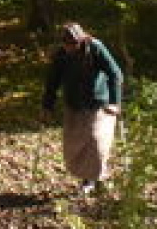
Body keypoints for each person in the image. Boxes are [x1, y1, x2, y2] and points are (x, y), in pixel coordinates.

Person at [42, 22, 124, 197]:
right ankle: (91, 176)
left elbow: (115, 73)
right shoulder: (61, 54)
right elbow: (52, 81)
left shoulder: (95, 48)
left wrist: (114, 102)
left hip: (99, 104)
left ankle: (92, 179)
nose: (70, 47)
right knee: (74, 145)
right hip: (73, 104)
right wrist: (47, 106)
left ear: (81, 40)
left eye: (73, 43)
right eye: (66, 44)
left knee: (95, 141)